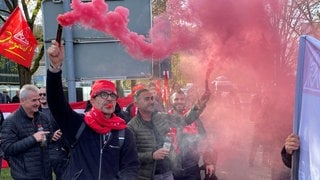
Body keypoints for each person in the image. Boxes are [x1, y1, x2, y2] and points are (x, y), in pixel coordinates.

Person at [46, 40, 139, 180]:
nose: (109, 99)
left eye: (112, 95)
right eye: (103, 94)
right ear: (92, 100)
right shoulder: (79, 125)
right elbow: (56, 103)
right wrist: (55, 67)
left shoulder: (124, 132)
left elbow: (131, 167)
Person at [127, 88, 210, 179]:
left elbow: (184, 120)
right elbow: (129, 156)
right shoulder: (132, 126)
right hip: (149, 176)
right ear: (136, 103)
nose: (151, 102)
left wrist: (199, 105)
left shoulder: (161, 117)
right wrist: (152, 155)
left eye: (152, 98)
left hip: (168, 173)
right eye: (146, 99)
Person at [0, 84, 52, 179]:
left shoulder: (43, 118)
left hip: (46, 174)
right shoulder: (11, 122)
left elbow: (49, 141)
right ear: (22, 101)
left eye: (38, 99)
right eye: (34, 100)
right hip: (24, 176)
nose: (38, 103)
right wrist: (33, 139)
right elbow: (8, 148)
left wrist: (52, 137)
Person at [168, 90, 216, 180]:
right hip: (171, 170)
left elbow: (204, 141)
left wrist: (209, 162)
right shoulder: (165, 118)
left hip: (191, 168)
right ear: (171, 101)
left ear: (185, 101)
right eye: (176, 99)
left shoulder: (195, 119)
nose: (179, 101)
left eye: (182, 99)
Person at [39, 87, 68, 180]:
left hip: (58, 151)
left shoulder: (58, 110)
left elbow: (66, 125)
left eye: (44, 94)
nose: (42, 96)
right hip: (42, 151)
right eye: (40, 95)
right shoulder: (35, 112)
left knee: (63, 177)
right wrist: (51, 135)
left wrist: (61, 132)